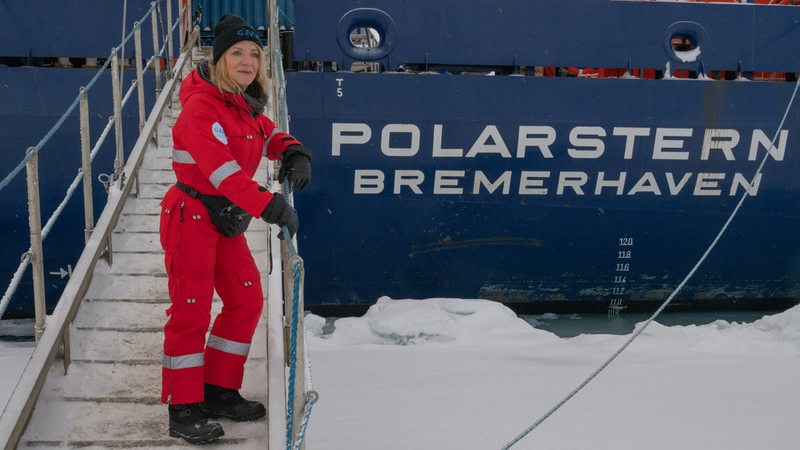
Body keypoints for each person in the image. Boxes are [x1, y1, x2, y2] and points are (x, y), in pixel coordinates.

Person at [158, 13, 312, 444]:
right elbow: (225, 174)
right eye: (237, 53)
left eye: (254, 54)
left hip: (225, 218)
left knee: (245, 298)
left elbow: (265, 135)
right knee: (190, 309)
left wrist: (294, 150)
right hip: (192, 216)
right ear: (219, 58)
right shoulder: (202, 108)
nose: (246, 61)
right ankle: (183, 406)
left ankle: (218, 388)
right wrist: (271, 206)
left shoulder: (243, 103)